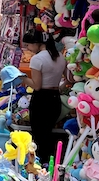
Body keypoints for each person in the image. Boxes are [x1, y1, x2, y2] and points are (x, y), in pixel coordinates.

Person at [21, 29, 66, 163]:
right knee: (48, 134)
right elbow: (67, 79)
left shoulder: (37, 59)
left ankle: (38, 165)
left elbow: (36, 85)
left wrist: (21, 77)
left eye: (28, 45)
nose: (28, 48)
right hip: (55, 98)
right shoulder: (60, 56)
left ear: (37, 43)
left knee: (39, 135)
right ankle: (50, 163)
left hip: (41, 100)